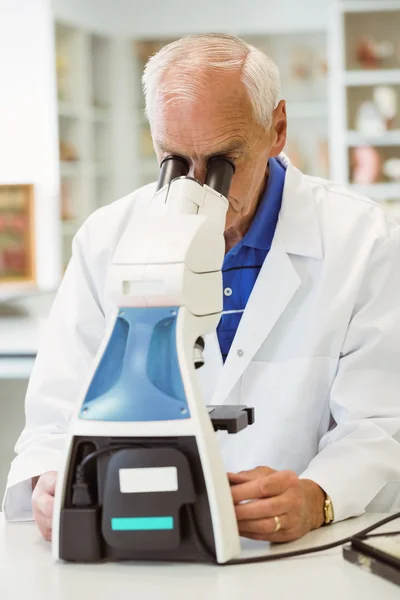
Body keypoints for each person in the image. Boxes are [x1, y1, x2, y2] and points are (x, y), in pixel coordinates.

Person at [3, 34, 400, 544]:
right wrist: (49, 481)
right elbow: (54, 420)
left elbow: (381, 425)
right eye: (174, 160)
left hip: (301, 555)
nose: (196, 185)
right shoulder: (106, 240)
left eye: (222, 160)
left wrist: (319, 495)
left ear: (276, 129)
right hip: (144, 542)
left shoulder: (365, 240)